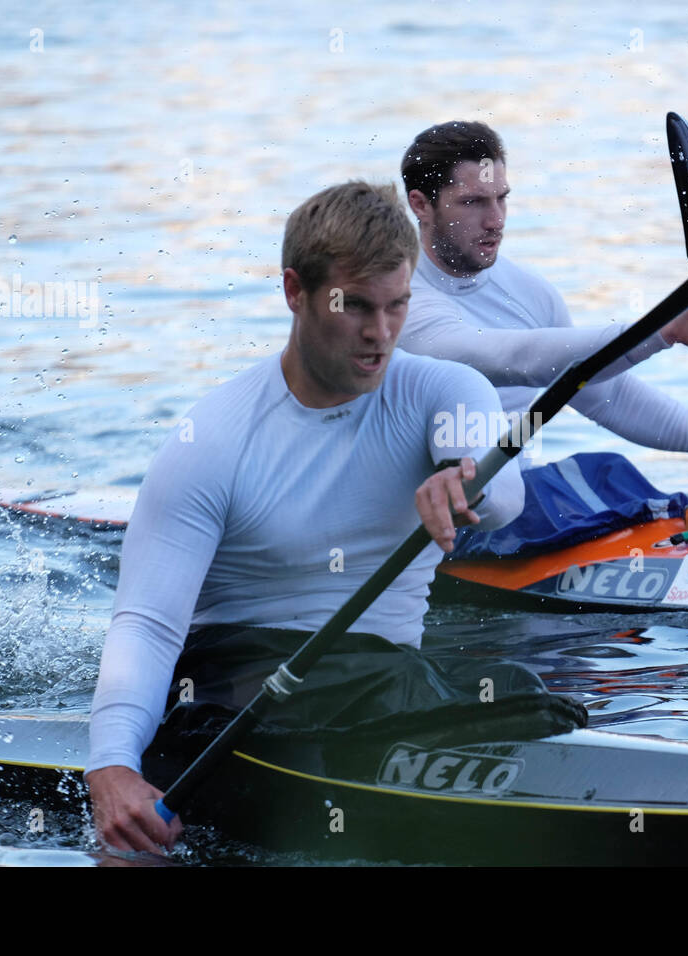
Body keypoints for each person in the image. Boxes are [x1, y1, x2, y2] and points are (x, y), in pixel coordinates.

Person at [85, 181, 526, 854]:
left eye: (398, 306)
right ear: (295, 290)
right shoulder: (213, 439)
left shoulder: (446, 389)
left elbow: (503, 494)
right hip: (236, 691)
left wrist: (464, 482)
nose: (380, 335)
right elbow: (147, 622)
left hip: (383, 684)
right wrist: (113, 765)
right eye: (356, 309)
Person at [397, 120, 688, 513]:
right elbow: (511, 358)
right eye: (473, 202)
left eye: (502, 198)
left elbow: (604, 392)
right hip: (439, 520)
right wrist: (662, 329)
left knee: (619, 478)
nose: (496, 220)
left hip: (516, 506)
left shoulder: (529, 293)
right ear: (420, 205)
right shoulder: (396, 302)